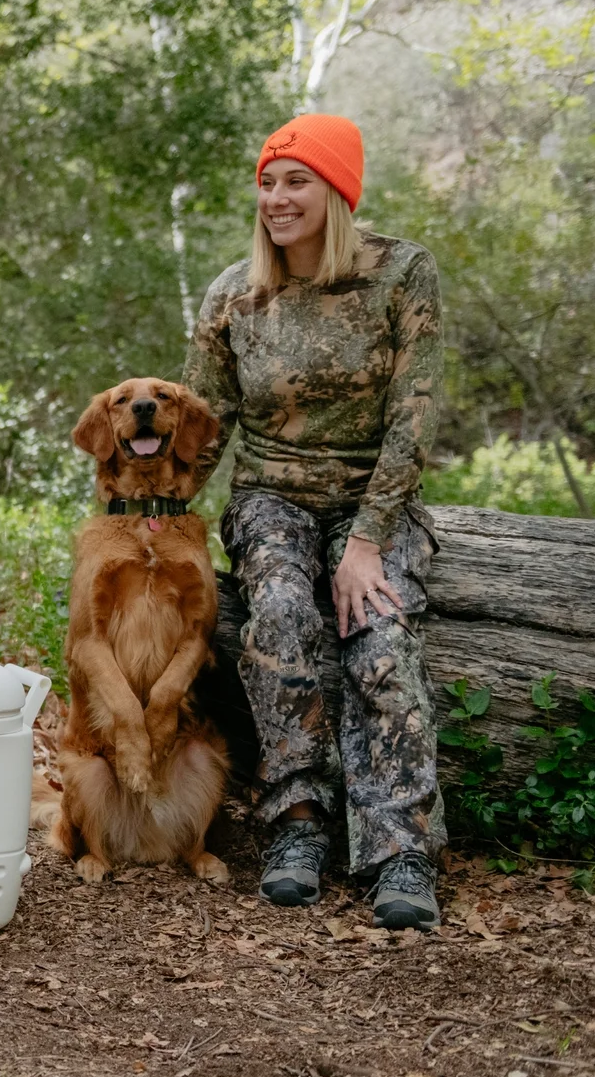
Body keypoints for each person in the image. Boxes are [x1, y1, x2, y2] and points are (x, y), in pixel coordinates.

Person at [181, 115, 446, 931]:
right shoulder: (234, 293)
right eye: (267, 182)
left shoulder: (402, 272)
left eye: (297, 181)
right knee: (282, 614)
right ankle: (298, 822)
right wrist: (155, 518)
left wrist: (366, 541)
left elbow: (414, 420)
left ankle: (401, 850)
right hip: (271, 497)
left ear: (337, 191)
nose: (277, 198)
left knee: (380, 634)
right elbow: (201, 428)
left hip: (375, 497)